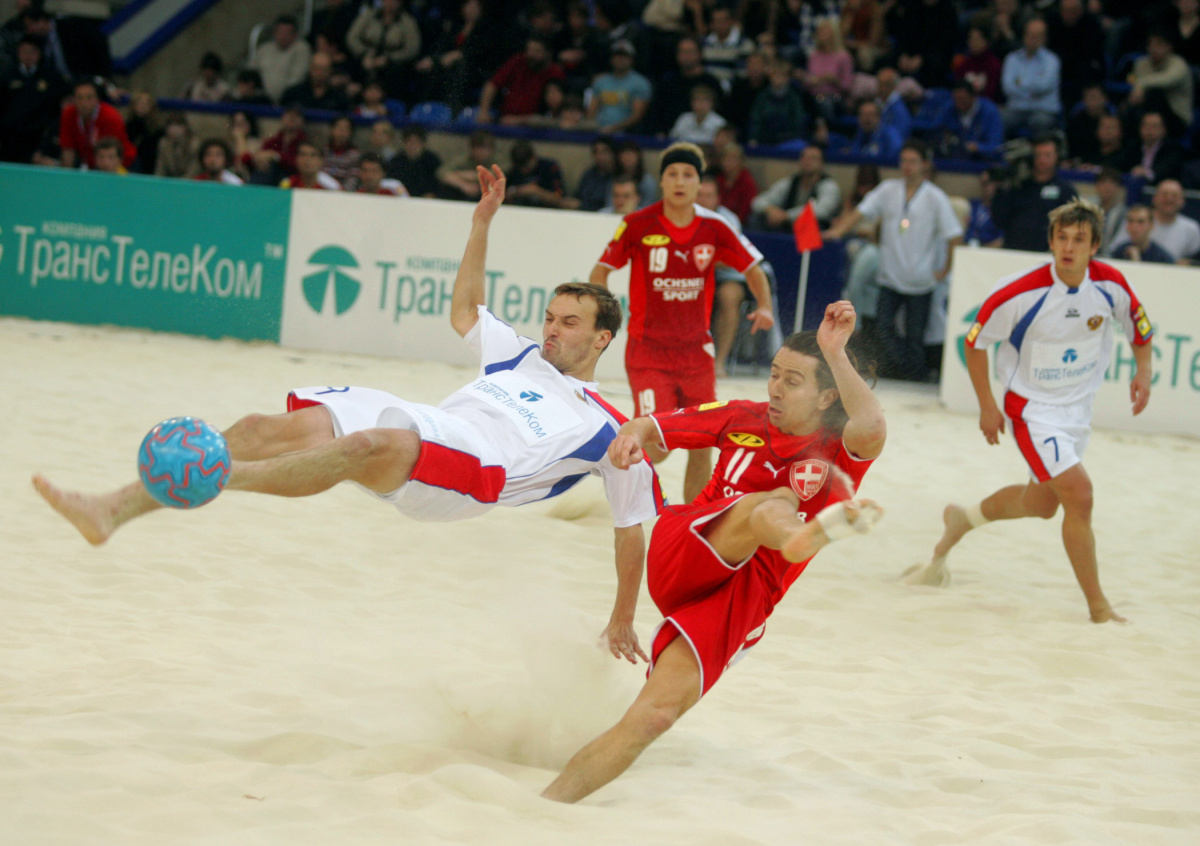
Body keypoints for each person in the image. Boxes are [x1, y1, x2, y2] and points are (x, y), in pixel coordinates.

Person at [32, 165, 661, 666]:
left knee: (364, 447)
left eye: (568, 323)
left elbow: (630, 526)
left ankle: (210, 476)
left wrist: (621, 617)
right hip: (430, 422)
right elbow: (467, 310)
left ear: (602, 339)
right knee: (260, 429)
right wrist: (480, 222)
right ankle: (113, 508)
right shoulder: (518, 355)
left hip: (478, 473)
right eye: (549, 317)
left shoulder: (611, 427)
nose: (551, 330)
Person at [541, 301, 886, 803]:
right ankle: (800, 537)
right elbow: (649, 426)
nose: (774, 388)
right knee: (773, 501)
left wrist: (835, 350)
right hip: (688, 547)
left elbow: (872, 426)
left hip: (742, 595)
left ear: (826, 396)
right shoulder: (741, 415)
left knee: (654, 717)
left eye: (792, 381)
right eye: (774, 374)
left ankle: (547, 805)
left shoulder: (839, 447)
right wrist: (629, 439)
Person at [905, 199, 1152, 624]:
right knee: (1080, 495)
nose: (1068, 247)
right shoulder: (1020, 292)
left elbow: (1139, 328)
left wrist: (1143, 371)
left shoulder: (1110, 283)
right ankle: (1099, 608)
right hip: (1032, 410)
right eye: (1061, 238)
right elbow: (974, 343)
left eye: (1079, 239)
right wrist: (987, 405)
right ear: (1051, 241)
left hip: (1078, 410)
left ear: (1095, 246)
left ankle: (963, 519)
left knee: (1041, 504)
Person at [589, 142, 775, 503]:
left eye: (688, 175)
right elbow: (601, 271)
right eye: (672, 174)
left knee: (703, 442)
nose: (679, 181)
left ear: (699, 183)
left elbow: (753, 268)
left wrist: (765, 306)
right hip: (648, 353)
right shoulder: (637, 224)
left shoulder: (715, 226)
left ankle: (691, 515)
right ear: (661, 181)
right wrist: (604, 312)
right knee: (656, 446)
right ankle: (618, 476)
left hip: (696, 355)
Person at [824, 139, 963, 382]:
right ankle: (902, 371)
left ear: (924, 164)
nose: (907, 166)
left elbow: (954, 235)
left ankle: (916, 376)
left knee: (915, 335)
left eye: (913, 161)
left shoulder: (935, 197)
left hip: (921, 280)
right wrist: (838, 231)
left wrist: (946, 269)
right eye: (904, 161)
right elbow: (861, 211)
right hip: (890, 275)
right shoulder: (888, 190)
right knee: (883, 329)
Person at [992, 135, 1077, 252]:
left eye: (1047, 155)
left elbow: (1072, 226)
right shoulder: (1018, 187)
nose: (1042, 160)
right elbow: (999, 219)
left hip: (1047, 254)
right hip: (1013, 251)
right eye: (1038, 155)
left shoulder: (1065, 191)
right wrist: (1004, 185)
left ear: (1057, 157)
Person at [0, 35, 66, 164]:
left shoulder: (50, 77)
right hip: (10, 136)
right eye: (24, 51)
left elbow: (56, 105)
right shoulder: (6, 75)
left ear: (39, 54)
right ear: (18, 53)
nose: (28, 56)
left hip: (38, 137)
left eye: (32, 52)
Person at [750, 145, 841, 232]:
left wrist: (787, 215)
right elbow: (758, 201)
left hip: (811, 230)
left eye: (813, 158)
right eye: (804, 157)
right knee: (756, 219)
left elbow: (822, 210)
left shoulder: (829, 185)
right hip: (786, 226)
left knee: (814, 224)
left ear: (821, 163)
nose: (807, 161)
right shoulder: (790, 182)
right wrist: (769, 209)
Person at [477, 36, 564, 124]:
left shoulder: (555, 73)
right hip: (504, 120)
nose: (530, 54)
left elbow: (554, 110)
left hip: (536, 126)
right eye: (529, 50)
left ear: (548, 53)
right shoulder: (518, 61)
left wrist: (519, 120)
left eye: (537, 51)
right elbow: (492, 85)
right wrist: (484, 112)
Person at [345, 0, 421, 100]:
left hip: (392, 62)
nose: (390, 3)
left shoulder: (407, 21)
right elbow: (352, 38)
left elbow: (412, 48)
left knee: (398, 73)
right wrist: (365, 54)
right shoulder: (368, 15)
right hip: (366, 56)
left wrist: (389, 58)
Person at [1000, 17, 1061, 139]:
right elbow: (1007, 88)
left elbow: (1043, 87)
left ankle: (1041, 151)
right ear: (1024, 35)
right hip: (1016, 109)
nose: (1033, 39)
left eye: (1037, 36)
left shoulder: (1052, 60)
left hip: (1043, 109)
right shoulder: (1012, 59)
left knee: (1040, 122)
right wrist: (1032, 89)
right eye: (1030, 35)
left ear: (1044, 38)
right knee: (999, 119)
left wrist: (1020, 84)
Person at [58, 77, 136, 171]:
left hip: (123, 165)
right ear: (73, 99)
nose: (84, 103)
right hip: (91, 164)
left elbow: (111, 158)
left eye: (89, 97)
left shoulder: (110, 117)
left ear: (97, 98)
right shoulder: (68, 114)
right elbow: (68, 150)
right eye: (79, 98)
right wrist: (66, 176)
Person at [587, 39, 652, 135]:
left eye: (624, 56)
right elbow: (592, 110)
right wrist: (592, 126)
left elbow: (637, 116)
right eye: (617, 56)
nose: (620, 60)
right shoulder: (601, 81)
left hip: (628, 133)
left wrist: (613, 128)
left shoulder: (640, 83)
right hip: (599, 130)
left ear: (631, 59)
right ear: (611, 59)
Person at [251, 15, 313, 103]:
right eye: (280, 32)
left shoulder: (302, 49)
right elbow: (252, 73)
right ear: (274, 33)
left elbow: (297, 79)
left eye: (287, 33)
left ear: (295, 34)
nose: (283, 36)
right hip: (262, 101)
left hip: (288, 102)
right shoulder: (264, 49)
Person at [1149, 179, 1200, 263]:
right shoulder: (1138, 222)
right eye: (1164, 194)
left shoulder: (1192, 229)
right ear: (1154, 198)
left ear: (1182, 201)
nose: (1169, 199)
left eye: (1174, 195)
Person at [1111, 204, 1176, 263]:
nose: (1134, 227)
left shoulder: (1162, 258)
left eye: (1140, 222)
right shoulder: (1119, 252)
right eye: (1130, 221)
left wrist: (1136, 261)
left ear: (1151, 225)